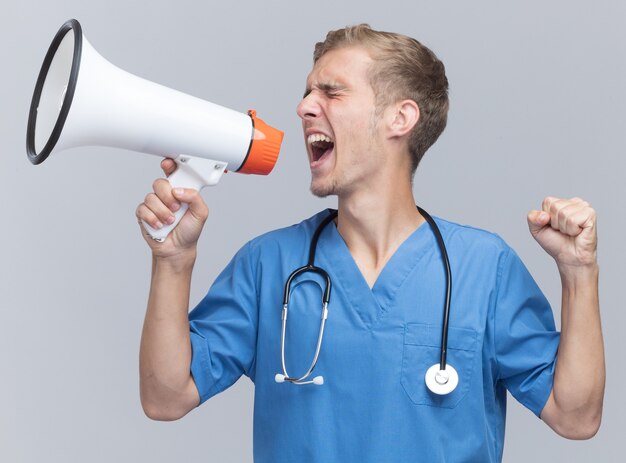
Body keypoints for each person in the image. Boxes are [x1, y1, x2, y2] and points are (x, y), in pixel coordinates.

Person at [136, 25, 604, 462]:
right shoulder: (268, 265)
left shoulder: (485, 267)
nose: (303, 107)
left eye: (331, 92)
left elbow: (575, 417)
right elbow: (165, 397)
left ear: (400, 118)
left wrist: (579, 273)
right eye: (306, 93)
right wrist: (173, 260)